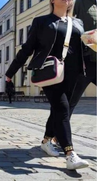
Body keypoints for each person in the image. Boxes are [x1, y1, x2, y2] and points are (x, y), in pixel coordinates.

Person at [5, 0, 89, 170]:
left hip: (73, 74)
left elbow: (83, 49)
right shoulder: (41, 21)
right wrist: (9, 73)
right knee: (63, 108)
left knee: (58, 109)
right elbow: (27, 49)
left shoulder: (78, 23)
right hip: (50, 72)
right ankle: (70, 154)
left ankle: (46, 141)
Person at [45, 0, 97, 148]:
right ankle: (51, 136)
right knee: (67, 103)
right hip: (85, 61)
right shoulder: (81, 3)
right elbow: (68, 25)